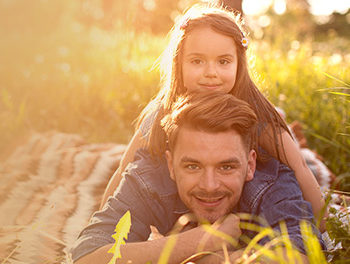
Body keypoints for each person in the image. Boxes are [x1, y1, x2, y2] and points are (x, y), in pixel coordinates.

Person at [99, 3, 326, 228]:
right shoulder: (163, 111)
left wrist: (326, 226)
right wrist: (101, 217)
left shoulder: (259, 114)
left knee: (304, 160)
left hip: (247, 184)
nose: (211, 73)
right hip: (198, 195)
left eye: (223, 61)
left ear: (239, 64)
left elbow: (299, 168)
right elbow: (124, 168)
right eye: (197, 61)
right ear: (180, 64)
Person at [70, 91, 324, 263]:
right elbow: (88, 256)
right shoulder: (150, 179)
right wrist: (198, 242)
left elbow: (301, 254)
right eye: (193, 166)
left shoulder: (271, 182)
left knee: (311, 166)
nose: (209, 186)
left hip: (277, 146)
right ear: (170, 164)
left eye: (226, 167)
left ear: (250, 165)